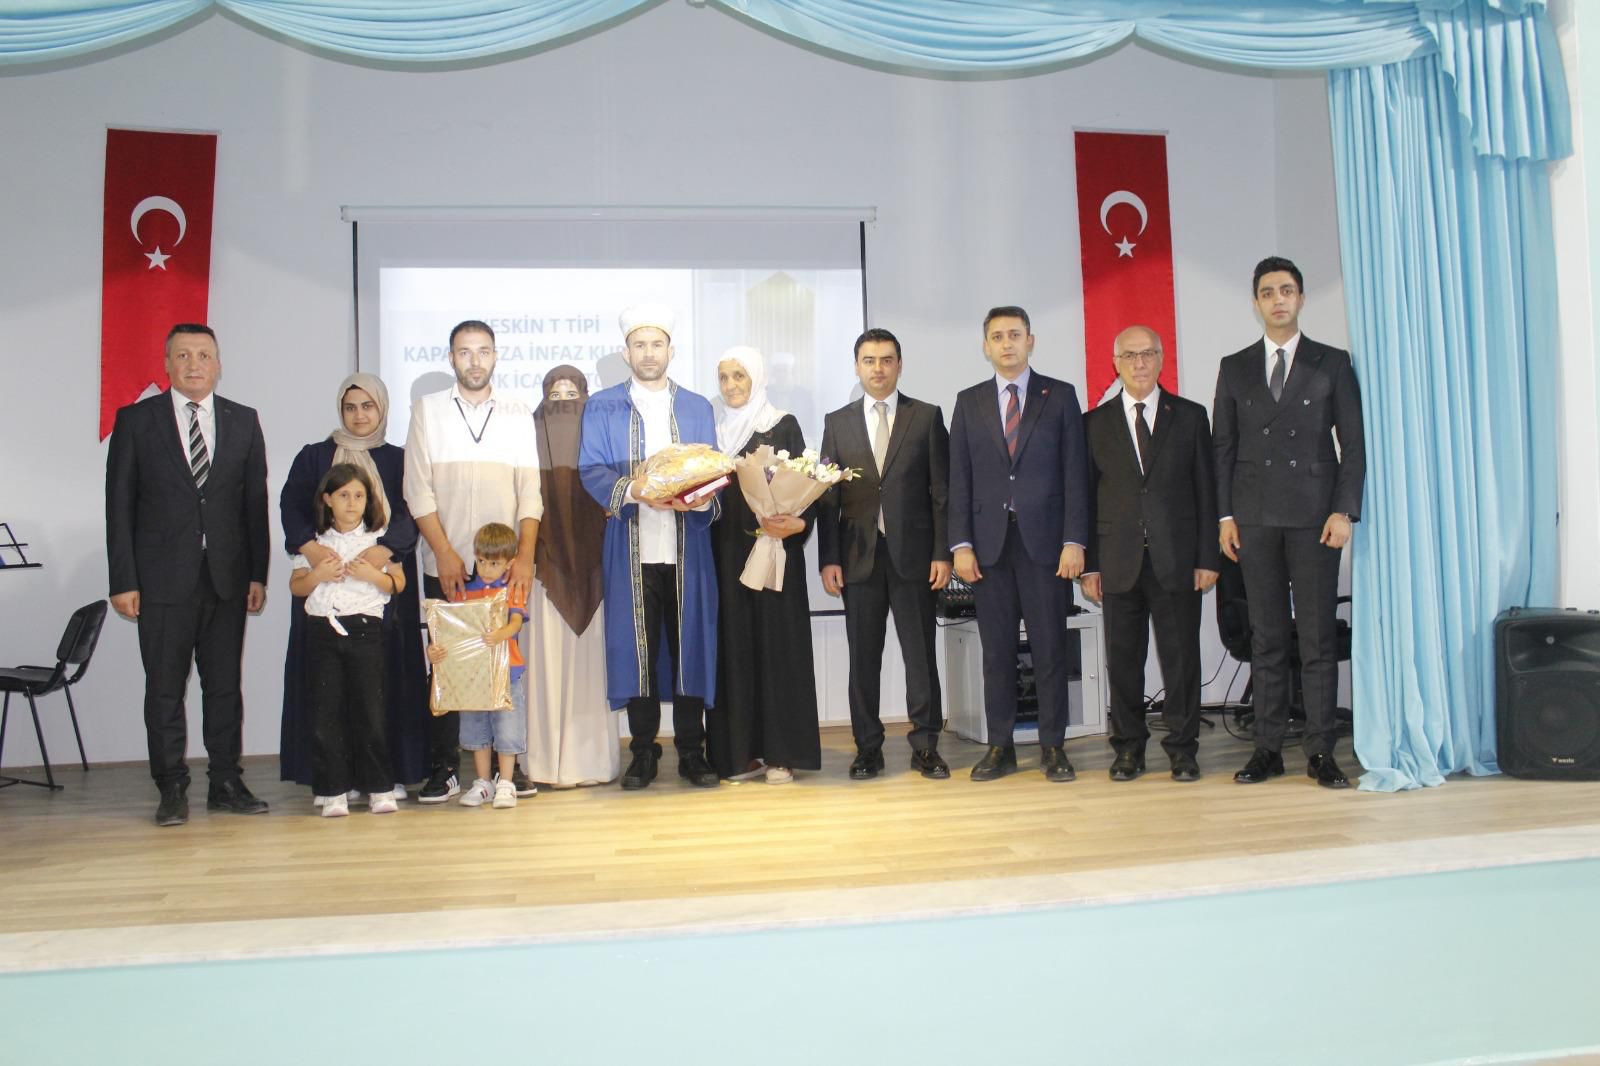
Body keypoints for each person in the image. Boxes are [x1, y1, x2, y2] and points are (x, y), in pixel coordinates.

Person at [106, 323, 271, 827]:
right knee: (164, 690)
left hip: (227, 578)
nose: (194, 364)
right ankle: (171, 787)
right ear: (167, 365)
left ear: (218, 365)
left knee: (224, 688)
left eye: (203, 355)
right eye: (183, 355)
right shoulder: (136, 421)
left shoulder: (243, 420)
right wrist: (123, 580)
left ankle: (225, 782)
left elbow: (253, 504)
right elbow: (119, 505)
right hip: (160, 580)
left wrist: (257, 574)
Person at [1213, 256, 1366, 788]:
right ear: (1256, 303)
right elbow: (1223, 446)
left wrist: (1344, 510)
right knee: (1268, 637)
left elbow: (1353, 443)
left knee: (1318, 639)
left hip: (1315, 518)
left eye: (1286, 290)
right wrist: (1225, 515)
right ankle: (1268, 748)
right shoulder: (1235, 366)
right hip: (1254, 519)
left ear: (1300, 298)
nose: (1277, 300)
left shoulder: (1332, 362)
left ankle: (1321, 751)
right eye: (1267, 292)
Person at [578, 303, 722, 791]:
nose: (648, 353)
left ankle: (692, 751)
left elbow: (714, 471)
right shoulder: (602, 406)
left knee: (688, 647)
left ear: (670, 350)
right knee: (636, 648)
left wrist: (700, 498)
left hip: (687, 549)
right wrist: (636, 491)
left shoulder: (697, 407)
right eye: (639, 345)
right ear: (626, 352)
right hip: (631, 548)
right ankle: (642, 751)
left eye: (656, 344)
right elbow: (591, 468)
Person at [947, 306, 1090, 782]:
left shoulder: (1060, 396)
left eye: (1014, 334)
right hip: (989, 549)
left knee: (1050, 649)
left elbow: (1076, 474)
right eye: (997, 336)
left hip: (1047, 547)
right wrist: (960, 545)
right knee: (997, 653)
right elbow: (959, 479)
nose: (1006, 343)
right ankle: (1000, 746)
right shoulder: (969, 402)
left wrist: (1075, 540)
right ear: (985, 346)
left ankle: (1053, 746)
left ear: (1031, 340)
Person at [403, 320, 542, 803]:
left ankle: (509, 769)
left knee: (504, 666)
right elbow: (417, 490)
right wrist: (444, 552)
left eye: (483, 351)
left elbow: (530, 491)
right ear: (451, 358)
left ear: (496, 356)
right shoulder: (428, 410)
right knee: (450, 665)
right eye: (465, 352)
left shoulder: (517, 412)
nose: (475, 360)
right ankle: (445, 768)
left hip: (502, 569)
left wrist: (525, 557)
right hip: (448, 566)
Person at [278, 374, 426, 805]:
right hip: (325, 585)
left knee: (380, 688)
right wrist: (311, 550)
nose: (359, 415)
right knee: (326, 693)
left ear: (382, 408)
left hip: (380, 588)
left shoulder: (399, 459)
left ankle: (385, 775)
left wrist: (383, 550)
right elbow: (291, 506)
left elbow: (414, 508)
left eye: (368, 406)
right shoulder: (314, 456)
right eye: (350, 407)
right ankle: (331, 779)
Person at [1079, 327, 1219, 782]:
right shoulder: (1093, 424)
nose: (1139, 363)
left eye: (1147, 354)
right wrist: (1090, 565)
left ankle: (1183, 749)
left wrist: (1208, 558)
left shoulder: (1191, 417)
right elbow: (1086, 498)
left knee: (1182, 661)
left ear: (1161, 359)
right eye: (1130, 355)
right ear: (1115, 363)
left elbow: (1206, 491)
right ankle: (1128, 749)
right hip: (1117, 563)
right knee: (1123, 663)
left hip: (1177, 560)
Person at [817, 328, 952, 780]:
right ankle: (867, 748)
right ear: (857, 366)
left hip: (915, 558)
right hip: (858, 559)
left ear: (899, 365)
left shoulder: (926, 417)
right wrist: (829, 558)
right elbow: (828, 498)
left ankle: (926, 745)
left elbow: (941, 493)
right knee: (863, 659)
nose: (878, 368)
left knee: (921, 656)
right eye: (869, 360)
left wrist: (942, 553)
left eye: (887, 360)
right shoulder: (837, 422)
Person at [708, 346, 820, 784]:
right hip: (723, 556)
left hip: (773, 552)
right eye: (724, 377)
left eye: (739, 376)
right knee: (733, 649)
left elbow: (805, 488)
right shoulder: (713, 430)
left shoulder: (781, 424)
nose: (731, 385)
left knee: (777, 649)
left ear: (757, 378)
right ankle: (739, 755)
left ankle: (780, 754)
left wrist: (796, 523)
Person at [289, 464, 405, 817]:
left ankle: (379, 787)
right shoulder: (315, 544)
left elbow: (397, 583)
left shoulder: (379, 542)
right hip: (322, 630)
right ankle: (333, 790)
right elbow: (297, 586)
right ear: (328, 500)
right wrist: (318, 575)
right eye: (343, 495)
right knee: (326, 713)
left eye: (358, 496)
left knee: (370, 711)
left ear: (368, 500)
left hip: (365, 630)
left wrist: (372, 574)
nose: (351, 503)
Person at [525, 365, 620, 788]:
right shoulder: (526, 438)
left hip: (596, 567)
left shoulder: (603, 441)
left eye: (572, 395)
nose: (564, 404)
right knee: (547, 664)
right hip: (544, 568)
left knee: (592, 668)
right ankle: (546, 762)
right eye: (554, 396)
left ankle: (592, 761)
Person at [426, 523, 531, 809]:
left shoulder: (511, 591)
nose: (485, 569)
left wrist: (501, 633)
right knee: (475, 729)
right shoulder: (464, 592)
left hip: (506, 671)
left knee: (507, 727)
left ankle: (506, 782)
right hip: (472, 675)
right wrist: (435, 649)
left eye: (494, 563)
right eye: (482, 561)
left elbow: (516, 622)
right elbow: (451, 631)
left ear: (509, 563)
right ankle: (484, 782)